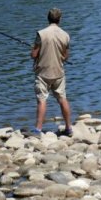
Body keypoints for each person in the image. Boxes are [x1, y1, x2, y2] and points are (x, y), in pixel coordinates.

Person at [29, 8, 73, 137]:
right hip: (58, 72)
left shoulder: (41, 34)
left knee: (42, 100)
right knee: (62, 98)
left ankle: (38, 129)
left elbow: (34, 54)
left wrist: (33, 51)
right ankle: (68, 128)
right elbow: (65, 57)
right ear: (60, 19)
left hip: (43, 73)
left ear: (48, 18)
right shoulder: (65, 35)